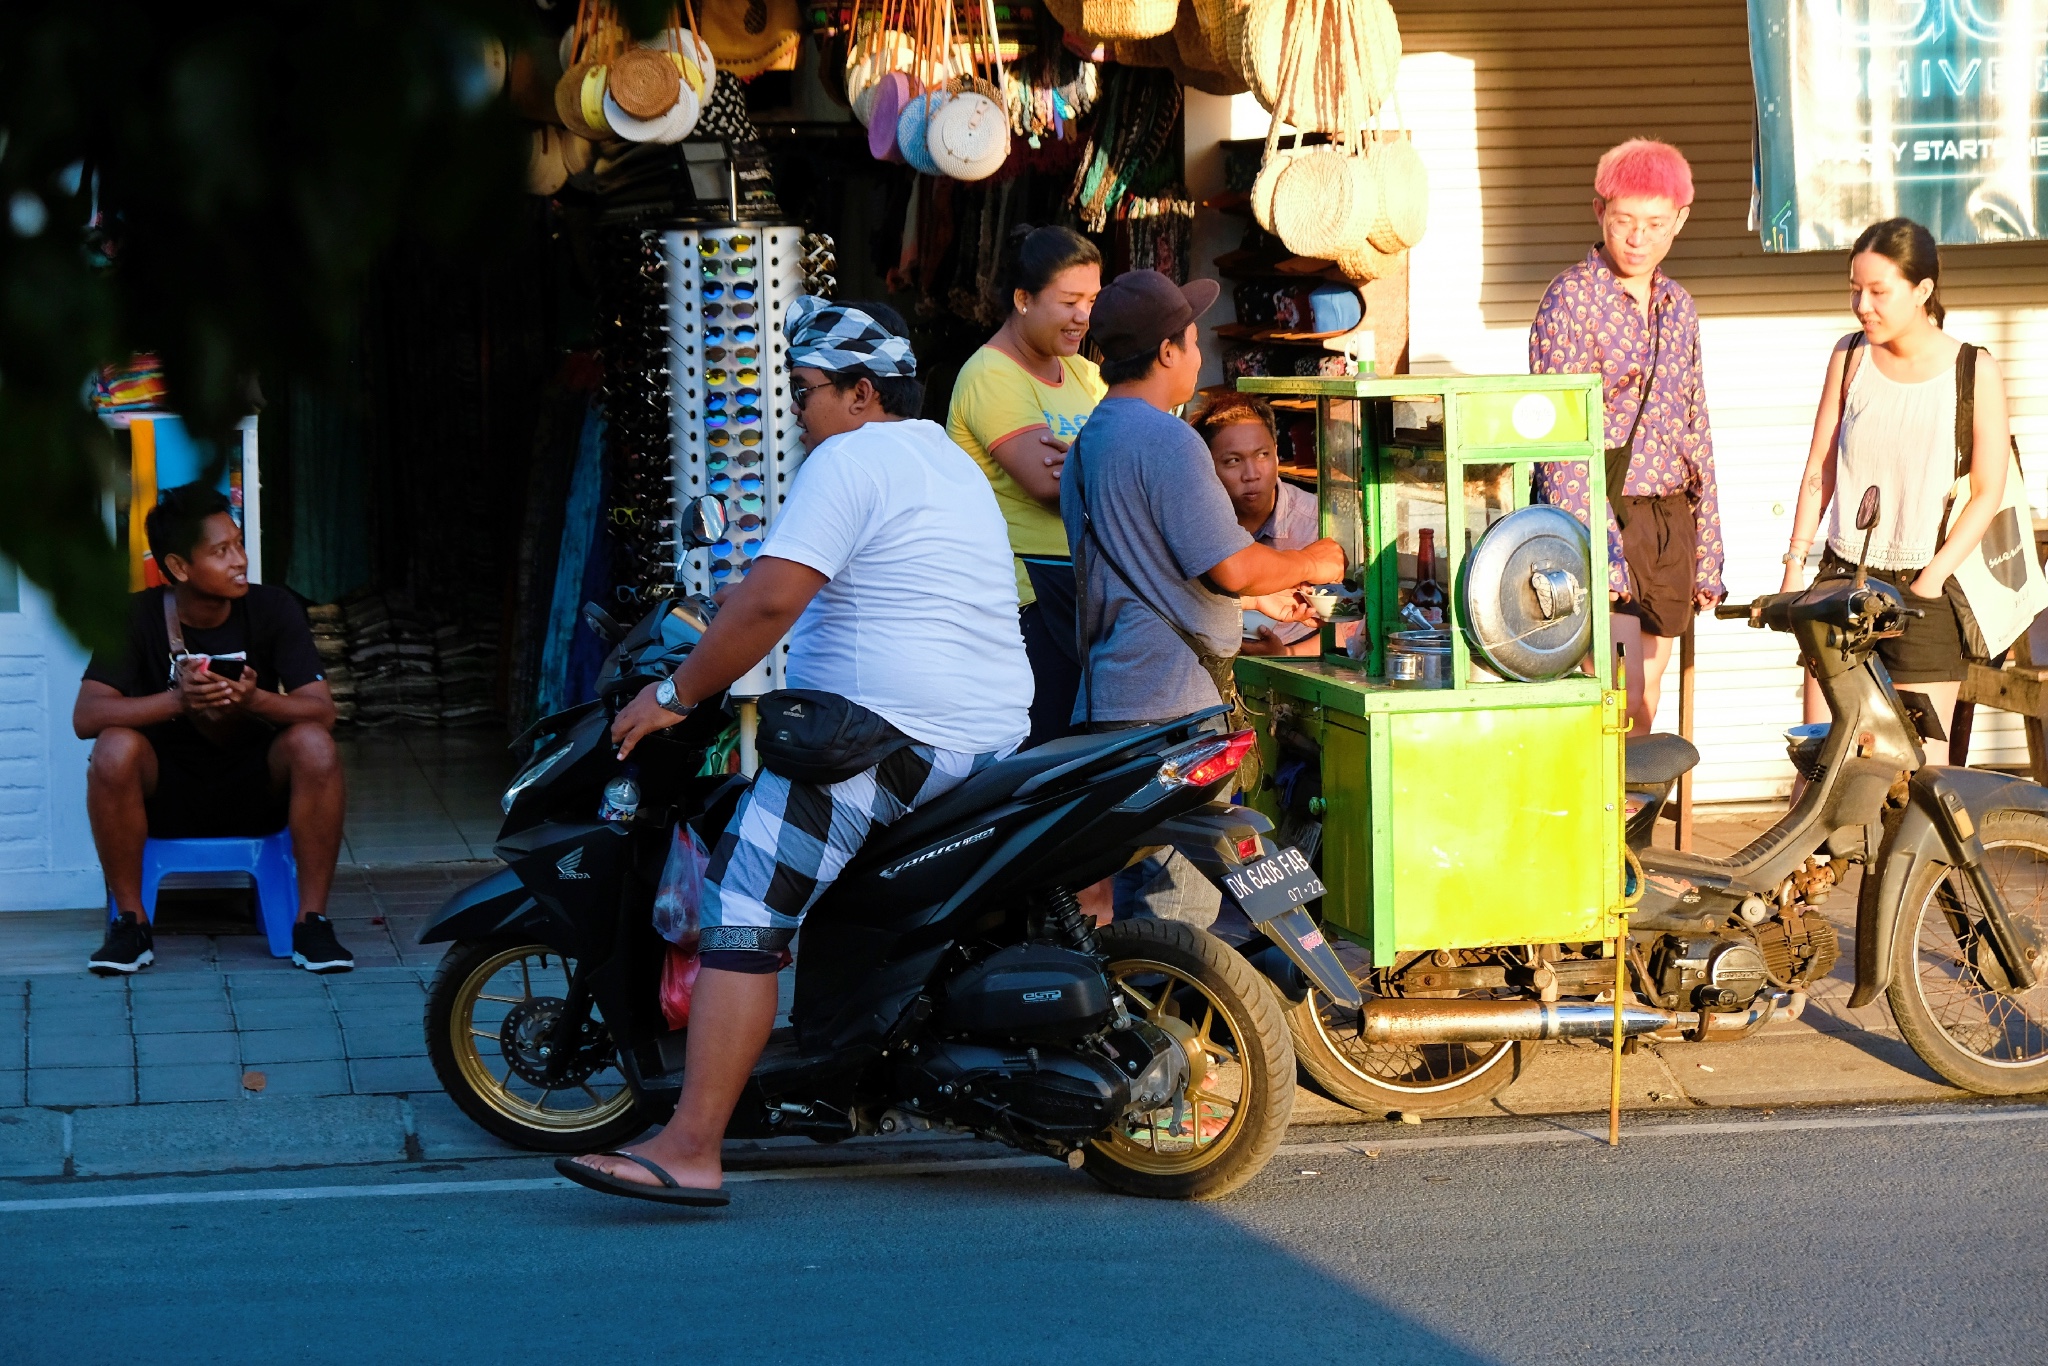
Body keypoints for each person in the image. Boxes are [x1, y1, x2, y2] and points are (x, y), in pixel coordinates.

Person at [561, 299, 1032, 1206]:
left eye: (804, 391)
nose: (797, 411)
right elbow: (791, 584)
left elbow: (774, 604)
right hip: (978, 732)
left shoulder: (850, 458)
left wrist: (675, 695)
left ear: (861, 394)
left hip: (878, 737)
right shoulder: (939, 455)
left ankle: (691, 1146)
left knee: (743, 908)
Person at [74, 483, 350, 975]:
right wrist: (177, 700)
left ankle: (312, 924)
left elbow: (322, 710)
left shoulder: (274, 607)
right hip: (165, 792)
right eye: (221, 551)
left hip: (255, 788)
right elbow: (87, 717)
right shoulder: (135, 616)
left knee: (315, 743)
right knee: (113, 748)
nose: (240, 560)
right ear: (179, 567)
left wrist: (255, 699)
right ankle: (131, 926)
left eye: (239, 544)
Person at [1062, 269, 1345, 732]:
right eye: (1193, 344)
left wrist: (1253, 603)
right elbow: (1234, 567)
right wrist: (1311, 562)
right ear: (1167, 352)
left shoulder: (1086, 443)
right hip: (1172, 708)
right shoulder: (1169, 439)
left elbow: (1144, 580)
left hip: (1108, 702)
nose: (1198, 359)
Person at [1779, 217, 2009, 743]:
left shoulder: (1974, 369)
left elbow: (1988, 491)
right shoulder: (1850, 355)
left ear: (1922, 290)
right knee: (1822, 760)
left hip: (1923, 589)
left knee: (1923, 775)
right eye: (1855, 290)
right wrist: (1795, 567)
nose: (1863, 305)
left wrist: (1931, 580)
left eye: (1879, 291)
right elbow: (1820, 469)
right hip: (1842, 582)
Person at [1530, 137, 1725, 735]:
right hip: (1597, 507)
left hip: (1668, 516)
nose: (1637, 238)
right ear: (1599, 213)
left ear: (1679, 223)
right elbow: (1559, 438)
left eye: (1654, 224)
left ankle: (1629, 816)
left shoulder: (1679, 306)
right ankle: (1600, 814)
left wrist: (1709, 544)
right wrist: (1595, 546)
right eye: (1624, 222)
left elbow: (1696, 424)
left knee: (1652, 677)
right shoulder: (1571, 299)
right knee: (1613, 683)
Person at [946, 225, 1105, 747]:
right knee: (1043, 760)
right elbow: (1046, 483)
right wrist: (1105, 460)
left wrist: (1083, 459)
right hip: (1023, 600)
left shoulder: (1082, 373)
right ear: (1022, 299)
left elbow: (1126, 458)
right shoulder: (991, 374)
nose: (1083, 315)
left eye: (1091, 300)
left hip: (1080, 591)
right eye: (1069, 301)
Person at [1191, 392, 1323, 659]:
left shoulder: (1317, 523)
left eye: (1262, 455)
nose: (1251, 475)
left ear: (1276, 453)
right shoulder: (1190, 525)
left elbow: (1355, 627)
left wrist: (1286, 654)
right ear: (1205, 465)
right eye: (1233, 461)